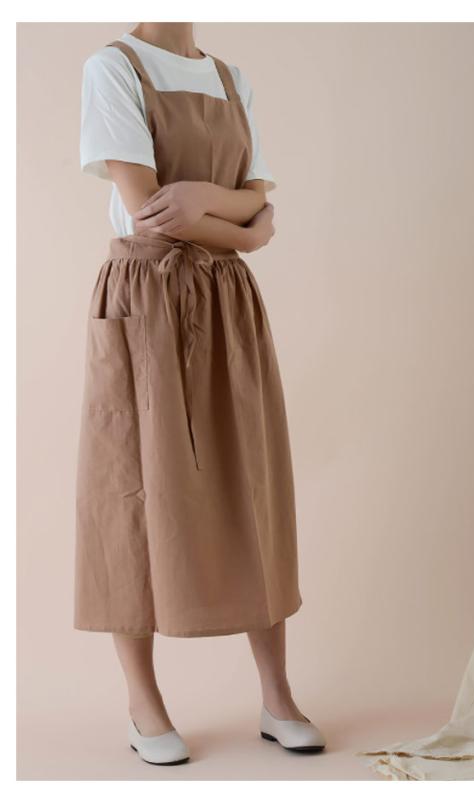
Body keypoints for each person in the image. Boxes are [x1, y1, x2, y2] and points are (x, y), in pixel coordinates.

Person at [75, 22, 325, 765]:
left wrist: (213, 206)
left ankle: (276, 696)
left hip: (227, 300)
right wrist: (246, 229)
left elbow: (254, 199)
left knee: (253, 483)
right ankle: (142, 703)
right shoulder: (112, 68)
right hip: (144, 296)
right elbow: (151, 209)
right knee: (131, 489)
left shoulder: (229, 77)